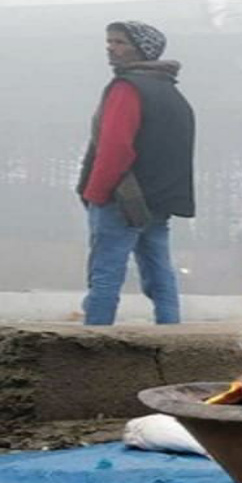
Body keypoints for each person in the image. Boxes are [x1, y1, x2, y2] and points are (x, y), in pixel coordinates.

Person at [77, 21, 195, 326]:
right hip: (158, 201)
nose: (111, 48)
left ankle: (93, 339)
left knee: (105, 274)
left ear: (142, 49)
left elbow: (115, 147)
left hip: (122, 198)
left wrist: (96, 194)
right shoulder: (174, 95)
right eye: (110, 42)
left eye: (119, 42)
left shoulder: (127, 88)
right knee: (159, 272)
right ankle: (171, 335)